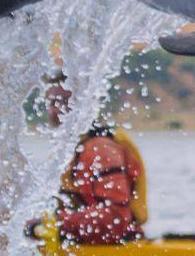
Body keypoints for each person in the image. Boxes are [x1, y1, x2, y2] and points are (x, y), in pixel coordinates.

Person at [42, 75, 148, 244]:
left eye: (63, 101)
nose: (56, 110)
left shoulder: (101, 150)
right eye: (52, 103)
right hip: (84, 245)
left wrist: (57, 223)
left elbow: (117, 219)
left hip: (118, 252)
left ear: (84, 104)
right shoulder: (68, 153)